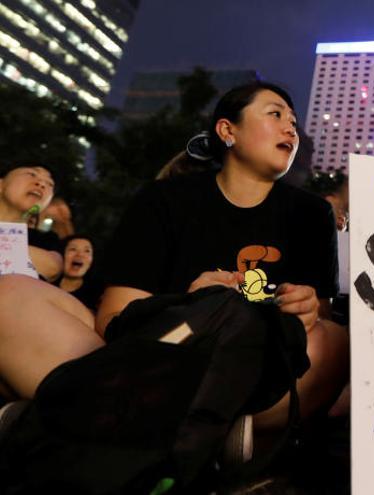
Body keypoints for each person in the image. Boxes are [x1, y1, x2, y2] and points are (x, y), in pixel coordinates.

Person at [97, 82, 348, 432]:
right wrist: (196, 305)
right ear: (228, 130)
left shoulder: (312, 214)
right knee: (16, 295)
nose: (291, 127)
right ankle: (202, 432)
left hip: (262, 373)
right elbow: (115, 316)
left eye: (293, 121)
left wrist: (304, 309)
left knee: (338, 340)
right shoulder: (164, 199)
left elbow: (318, 322)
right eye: (275, 114)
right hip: (165, 359)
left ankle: (210, 430)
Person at [0, 165, 63, 281]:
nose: (41, 184)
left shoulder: (45, 240)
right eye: (31, 174)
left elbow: (51, 267)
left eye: (50, 184)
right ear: (1, 184)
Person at [55, 234, 102, 312]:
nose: (80, 254)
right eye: (73, 249)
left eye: (87, 251)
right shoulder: (44, 283)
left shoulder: (96, 296)